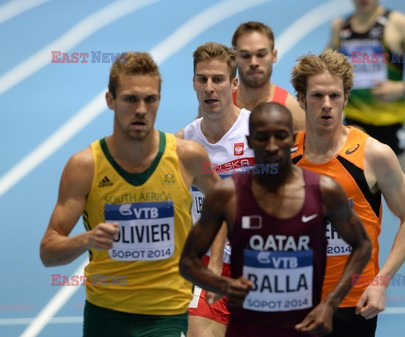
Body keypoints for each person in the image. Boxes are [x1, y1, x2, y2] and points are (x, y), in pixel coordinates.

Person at [39, 52, 220, 337]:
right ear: (110, 100)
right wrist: (86, 239)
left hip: (168, 314)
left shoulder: (187, 157)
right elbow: (48, 252)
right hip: (105, 315)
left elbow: (227, 206)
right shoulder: (85, 167)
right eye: (130, 99)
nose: (140, 109)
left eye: (150, 99)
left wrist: (217, 263)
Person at [180, 102, 372, 337]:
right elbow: (187, 262)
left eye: (280, 136)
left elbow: (362, 245)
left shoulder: (324, 191)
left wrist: (330, 304)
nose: (271, 146)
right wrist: (224, 286)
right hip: (247, 330)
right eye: (262, 137)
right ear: (250, 142)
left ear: (291, 141)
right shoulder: (226, 195)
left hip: (303, 329)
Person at [290, 49, 405, 336]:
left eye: (334, 96)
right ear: (301, 99)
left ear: (346, 98)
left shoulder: (374, 154)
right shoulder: (283, 156)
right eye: (317, 96)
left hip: (353, 302)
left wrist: (380, 283)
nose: (327, 105)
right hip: (294, 298)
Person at [177, 42, 256, 337]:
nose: (210, 87)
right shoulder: (183, 143)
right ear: (194, 84)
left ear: (234, 83)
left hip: (256, 263)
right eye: (202, 79)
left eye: (218, 79)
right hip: (207, 267)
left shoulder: (258, 135)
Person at [328, 0, 405, 170]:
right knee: (357, 184)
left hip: (391, 120)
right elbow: (324, 69)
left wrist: (401, 87)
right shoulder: (341, 28)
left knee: (396, 189)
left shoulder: (399, 24)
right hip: (355, 118)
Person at [228, 21, 305, 132]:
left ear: (274, 56)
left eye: (261, 54)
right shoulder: (220, 106)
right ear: (234, 57)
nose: (254, 62)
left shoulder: (293, 111)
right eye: (245, 55)